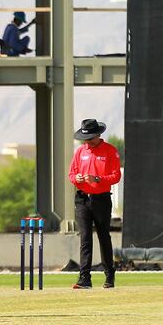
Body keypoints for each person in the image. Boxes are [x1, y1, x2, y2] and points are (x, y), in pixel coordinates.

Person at [69, 118, 121, 289]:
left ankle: (109, 276)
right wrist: (76, 178)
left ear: (98, 135)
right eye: (85, 138)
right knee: (85, 238)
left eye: (90, 138)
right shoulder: (79, 152)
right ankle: (84, 278)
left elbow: (116, 176)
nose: (87, 142)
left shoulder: (110, 151)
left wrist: (97, 179)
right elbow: (72, 174)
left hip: (101, 199)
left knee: (103, 236)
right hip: (82, 199)